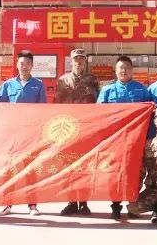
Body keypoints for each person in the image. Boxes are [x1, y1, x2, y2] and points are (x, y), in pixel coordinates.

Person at [0, 49, 45, 216]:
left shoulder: (38, 85)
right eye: (21, 63)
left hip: (30, 134)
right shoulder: (8, 84)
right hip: (11, 134)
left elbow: (43, 110)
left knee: (30, 169)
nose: (24, 66)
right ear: (17, 65)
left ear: (32, 66)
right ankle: (7, 204)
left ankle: (32, 205)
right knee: (9, 168)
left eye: (27, 63)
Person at [98, 55, 154, 220]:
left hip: (135, 140)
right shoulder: (107, 91)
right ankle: (115, 206)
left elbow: (149, 114)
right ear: (116, 71)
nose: (124, 71)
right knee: (115, 174)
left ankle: (132, 206)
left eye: (127, 68)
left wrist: (148, 139)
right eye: (120, 68)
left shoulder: (141, 90)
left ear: (132, 71)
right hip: (114, 140)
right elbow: (100, 116)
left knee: (135, 173)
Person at [54, 48, 100, 216]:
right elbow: (57, 104)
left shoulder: (93, 80)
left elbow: (98, 104)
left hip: (87, 129)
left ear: (85, 61)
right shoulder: (63, 80)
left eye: (81, 59)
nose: (78, 62)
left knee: (86, 166)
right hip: (69, 130)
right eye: (76, 59)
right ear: (71, 61)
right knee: (69, 165)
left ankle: (84, 202)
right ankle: (72, 201)